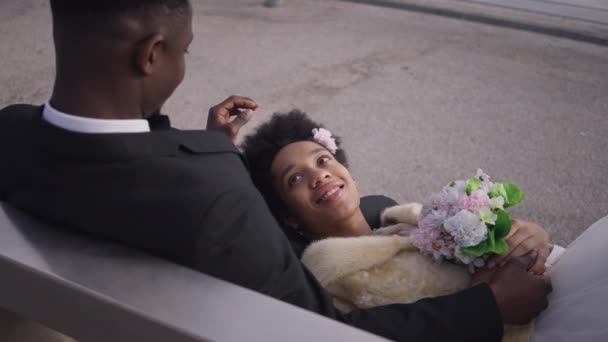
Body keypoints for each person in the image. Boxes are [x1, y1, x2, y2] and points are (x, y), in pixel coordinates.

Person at [0, 1, 550, 341]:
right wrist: (490, 306)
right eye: (183, 51)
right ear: (151, 53)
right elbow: (317, 333)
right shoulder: (217, 197)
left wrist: (194, 149)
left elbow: (123, 175)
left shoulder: (12, 135)